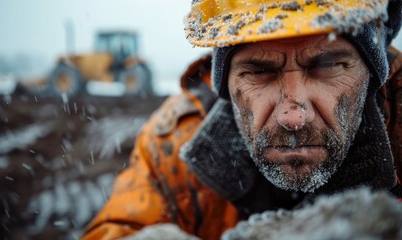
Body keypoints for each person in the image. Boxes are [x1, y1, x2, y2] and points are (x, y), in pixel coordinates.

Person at [83, 0, 402, 239]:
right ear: (224, 85)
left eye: (328, 65)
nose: (293, 117)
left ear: (371, 77)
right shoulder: (175, 143)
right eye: (260, 72)